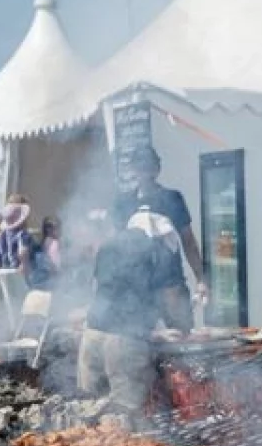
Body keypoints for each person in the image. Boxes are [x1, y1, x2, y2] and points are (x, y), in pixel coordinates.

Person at [79, 208, 192, 428]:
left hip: (91, 336)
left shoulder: (108, 245)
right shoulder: (155, 249)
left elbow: (99, 289)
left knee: (90, 413)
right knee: (126, 417)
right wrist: (179, 326)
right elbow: (170, 294)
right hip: (124, 344)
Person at [112, 147, 208, 308]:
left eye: (149, 166)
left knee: (180, 332)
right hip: (137, 289)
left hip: (171, 285)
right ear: (133, 169)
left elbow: (188, 241)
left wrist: (201, 279)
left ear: (157, 168)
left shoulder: (172, 198)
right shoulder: (123, 203)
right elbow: (116, 247)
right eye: (141, 167)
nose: (145, 172)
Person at [0, 201, 35, 275]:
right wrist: (24, 264)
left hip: (6, 273)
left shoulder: (0, 236)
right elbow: (23, 252)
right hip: (20, 273)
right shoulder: (22, 235)